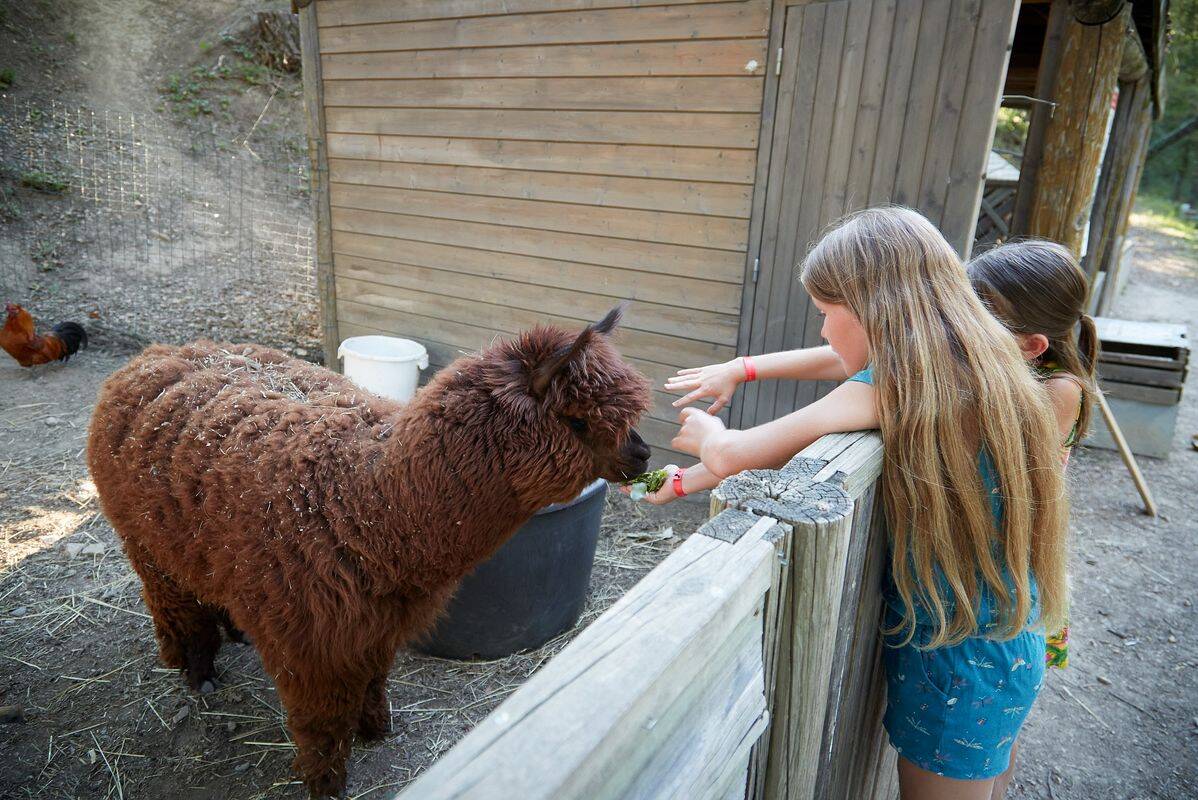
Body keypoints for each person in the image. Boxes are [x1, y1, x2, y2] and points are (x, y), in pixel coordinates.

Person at [638, 207, 1069, 799]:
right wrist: (696, 465)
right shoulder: (983, 364)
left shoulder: (890, 389)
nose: (820, 331)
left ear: (875, 312)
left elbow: (737, 454)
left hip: (953, 658)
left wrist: (708, 438)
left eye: (825, 315)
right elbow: (836, 367)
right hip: (1002, 636)